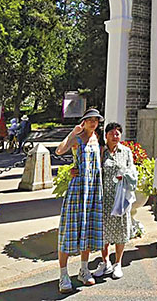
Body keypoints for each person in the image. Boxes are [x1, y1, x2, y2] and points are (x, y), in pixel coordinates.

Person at [54, 109, 105, 293]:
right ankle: (63, 275)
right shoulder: (78, 137)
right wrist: (72, 133)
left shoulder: (96, 138)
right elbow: (59, 151)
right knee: (69, 230)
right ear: (83, 121)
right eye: (89, 120)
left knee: (88, 229)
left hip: (92, 189)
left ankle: (84, 269)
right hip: (77, 189)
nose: (93, 123)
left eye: (95, 120)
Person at [92, 121, 137, 280]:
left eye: (117, 133)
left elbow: (133, 172)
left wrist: (124, 175)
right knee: (103, 232)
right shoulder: (101, 151)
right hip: (103, 198)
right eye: (111, 133)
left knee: (120, 230)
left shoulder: (126, 152)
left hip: (120, 198)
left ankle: (118, 263)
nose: (114, 135)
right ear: (106, 135)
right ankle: (105, 262)